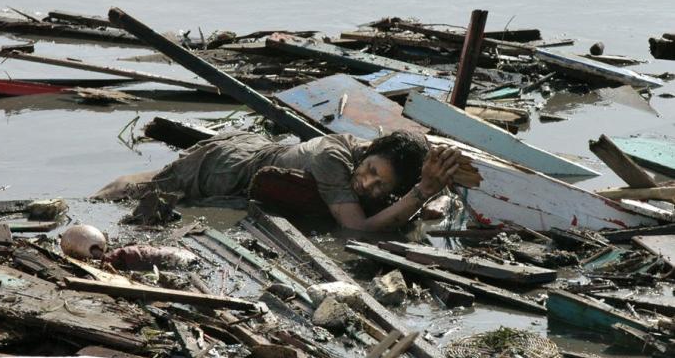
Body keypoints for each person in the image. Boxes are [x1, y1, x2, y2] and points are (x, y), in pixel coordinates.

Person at [93, 130, 460, 232]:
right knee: (150, 188)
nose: (367, 185)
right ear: (367, 153)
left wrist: (430, 192)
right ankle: (90, 204)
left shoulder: (377, 158)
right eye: (369, 172)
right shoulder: (334, 157)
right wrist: (423, 192)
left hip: (256, 149)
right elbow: (357, 229)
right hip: (226, 168)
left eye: (381, 187)